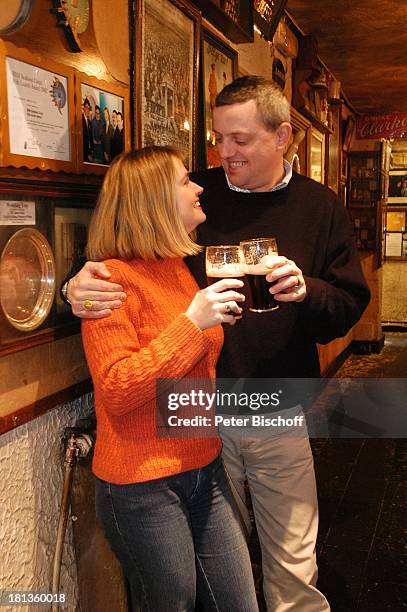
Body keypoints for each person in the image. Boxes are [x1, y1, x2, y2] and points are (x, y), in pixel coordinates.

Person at [63, 77, 370, 611]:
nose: (224, 154)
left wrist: (308, 293)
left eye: (241, 140)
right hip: (195, 415)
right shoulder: (188, 196)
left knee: (293, 563)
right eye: (218, 138)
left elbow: (347, 304)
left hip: (274, 405)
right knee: (210, 574)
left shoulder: (319, 207)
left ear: (283, 137)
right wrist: (72, 286)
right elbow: (122, 251)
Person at [79, 146, 257, 612]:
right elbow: (118, 389)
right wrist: (191, 325)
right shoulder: (111, 281)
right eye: (184, 181)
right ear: (151, 201)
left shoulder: (178, 268)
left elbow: (188, 373)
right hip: (142, 486)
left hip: (204, 465)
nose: (199, 186)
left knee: (239, 601)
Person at [82, 98, 93, 162]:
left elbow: (90, 137)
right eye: (86, 107)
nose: (87, 109)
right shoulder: (81, 120)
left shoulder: (89, 122)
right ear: (83, 108)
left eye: (89, 108)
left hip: (89, 151)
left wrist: (91, 150)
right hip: (83, 151)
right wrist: (86, 153)